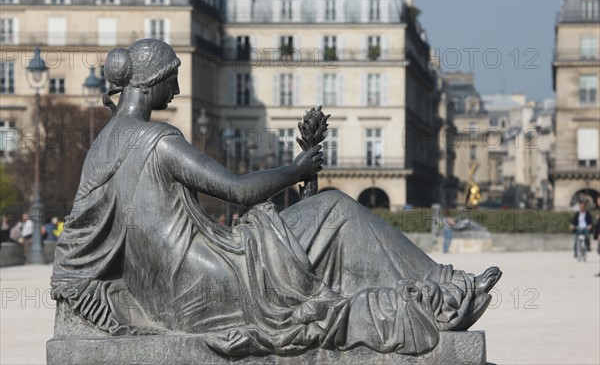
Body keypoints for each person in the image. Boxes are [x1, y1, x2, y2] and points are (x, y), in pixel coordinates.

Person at [51, 39, 501, 357]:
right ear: (152, 82)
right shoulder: (158, 140)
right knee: (338, 210)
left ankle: (439, 289)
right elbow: (239, 190)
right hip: (207, 282)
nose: (179, 90)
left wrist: (300, 170)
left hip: (165, 291)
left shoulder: (104, 144)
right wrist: (298, 168)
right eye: (173, 79)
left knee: (320, 214)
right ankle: (446, 289)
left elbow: (82, 239)